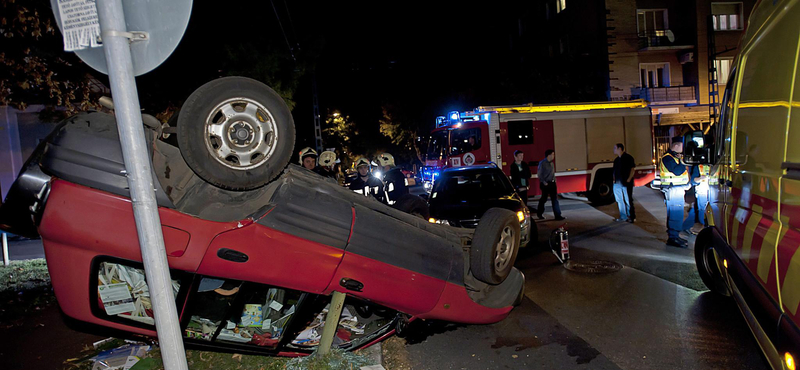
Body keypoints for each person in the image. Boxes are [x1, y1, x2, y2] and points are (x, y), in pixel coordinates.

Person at [660, 137, 691, 248]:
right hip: (673, 190)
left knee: (676, 214)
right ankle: (673, 238)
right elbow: (677, 171)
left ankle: (675, 236)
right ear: (677, 146)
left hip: (676, 190)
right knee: (675, 214)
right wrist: (683, 161)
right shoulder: (667, 158)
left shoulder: (674, 157)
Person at [536, 149, 564, 221]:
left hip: (552, 183)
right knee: (544, 199)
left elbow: (552, 173)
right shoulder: (542, 163)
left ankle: (558, 215)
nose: (553, 156)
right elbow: (539, 174)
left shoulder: (551, 163)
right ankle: (539, 213)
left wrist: (554, 180)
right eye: (552, 154)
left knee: (554, 199)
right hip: (545, 184)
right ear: (548, 155)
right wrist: (544, 182)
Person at [612, 143, 636, 222]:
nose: (614, 150)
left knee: (628, 199)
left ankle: (631, 216)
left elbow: (632, 169)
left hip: (626, 183)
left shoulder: (628, 158)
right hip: (617, 183)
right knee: (619, 200)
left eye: (615, 148)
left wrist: (629, 179)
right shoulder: (616, 160)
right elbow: (615, 171)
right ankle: (623, 216)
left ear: (620, 149)